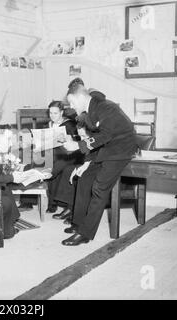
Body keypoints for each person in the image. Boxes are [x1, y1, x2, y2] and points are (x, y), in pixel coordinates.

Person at [61, 81, 137, 246]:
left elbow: (104, 136)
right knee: (84, 176)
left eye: (72, 102)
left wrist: (77, 146)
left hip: (121, 150)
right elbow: (96, 140)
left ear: (80, 97)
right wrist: (87, 162)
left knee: (99, 188)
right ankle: (78, 223)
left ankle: (85, 233)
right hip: (108, 148)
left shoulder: (105, 108)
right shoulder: (91, 109)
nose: (71, 107)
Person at [45, 101, 83, 217]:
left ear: (61, 112)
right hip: (55, 153)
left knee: (51, 169)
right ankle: (51, 203)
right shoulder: (49, 124)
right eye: (50, 113)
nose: (52, 116)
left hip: (70, 155)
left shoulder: (69, 124)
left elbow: (76, 143)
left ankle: (54, 202)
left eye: (55, 113)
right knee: (42, 162)